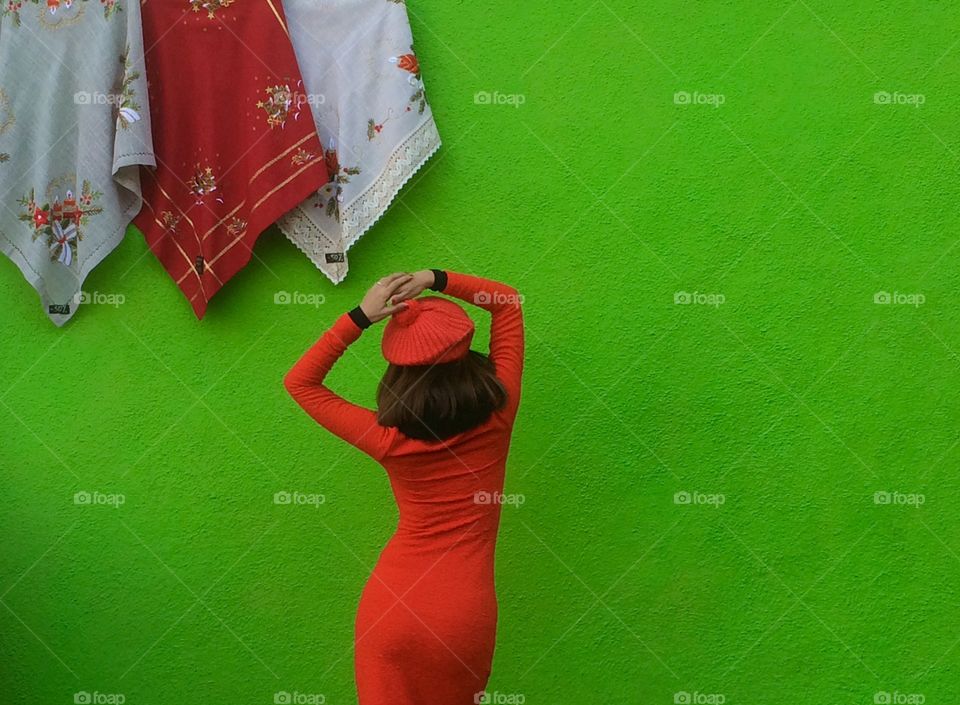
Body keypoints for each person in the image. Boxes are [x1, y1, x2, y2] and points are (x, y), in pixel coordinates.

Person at [284, 269, 524, 705]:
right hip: (462, 614)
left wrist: (360, 316)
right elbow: (505, 301)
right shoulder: (500, 409)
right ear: (464, 345)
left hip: (392, 609)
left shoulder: (387, 439)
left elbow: (300, 383)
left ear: (399, 367)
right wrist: (434, 278)